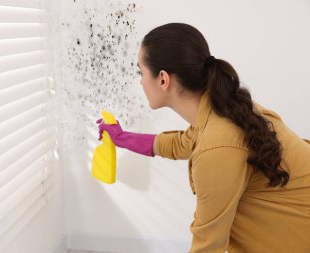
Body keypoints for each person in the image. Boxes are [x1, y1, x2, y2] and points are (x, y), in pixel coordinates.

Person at [95, 23, 310, 253]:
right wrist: (121, 137)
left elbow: (208, 245)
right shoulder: (222, 110)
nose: (140, 81)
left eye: (141, 72)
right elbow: (179, 143)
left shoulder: (217, 146)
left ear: (163, 79)